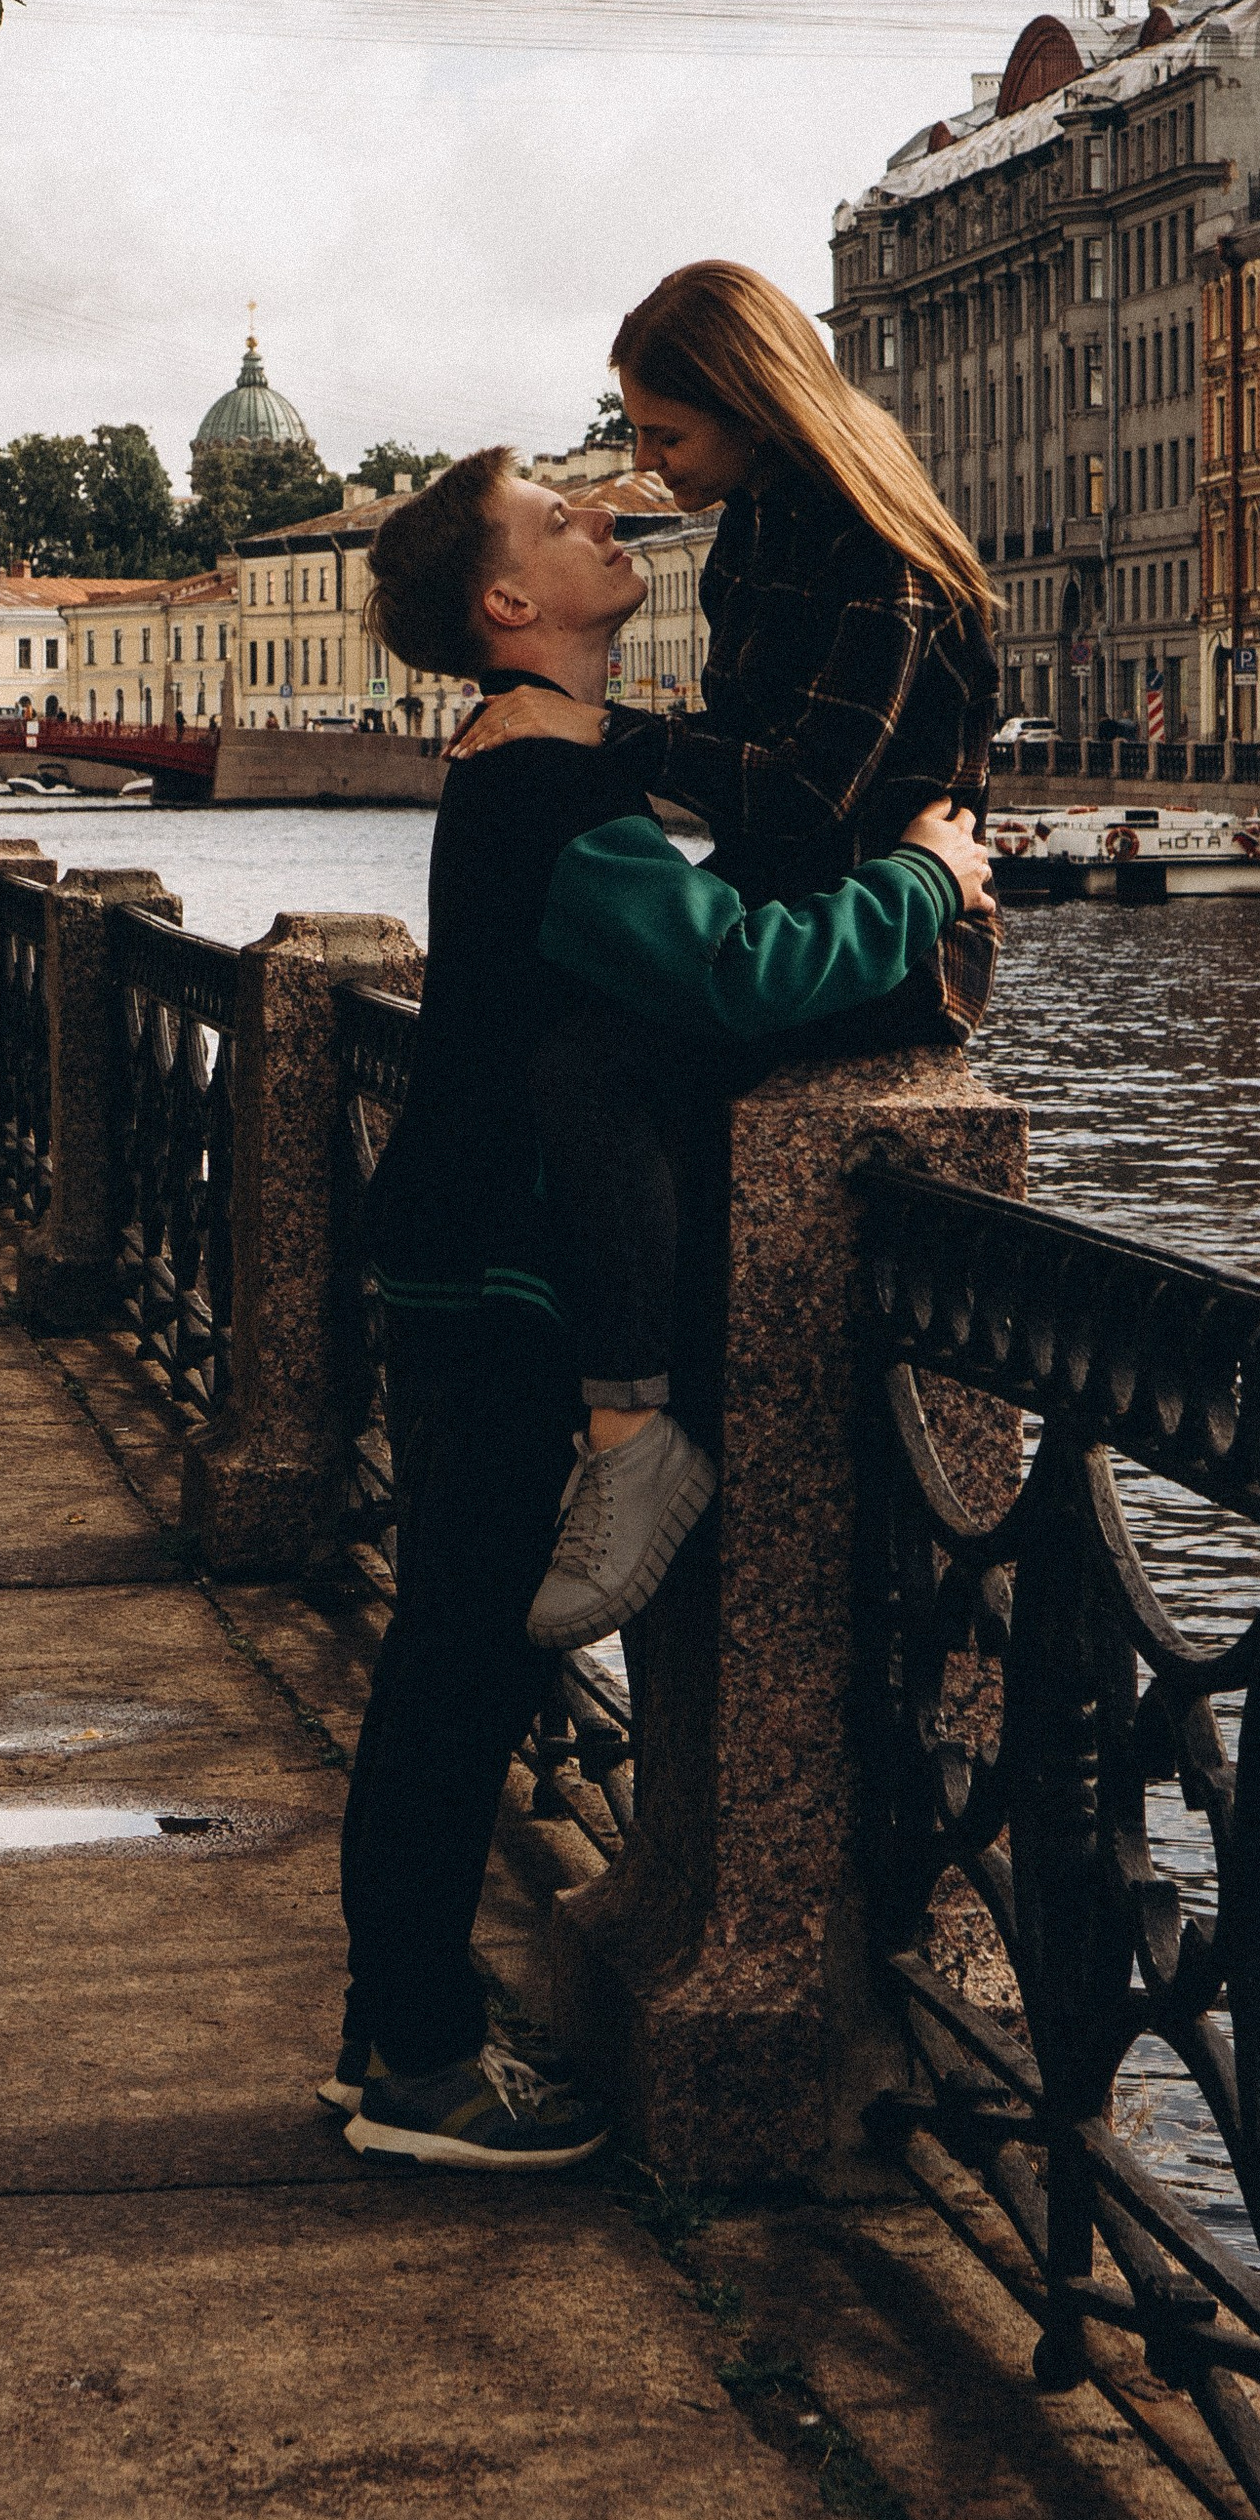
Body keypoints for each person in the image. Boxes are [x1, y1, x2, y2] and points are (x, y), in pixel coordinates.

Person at [333, 446, 993, 2173]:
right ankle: (416, 2064)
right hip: (497, 1270)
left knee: (447, 1659)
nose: (604, 520)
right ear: (506, 607)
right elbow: (733, 971)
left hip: (466, 1250)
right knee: (460, 1667)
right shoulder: (548, 787)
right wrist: (925, 882)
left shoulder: (530, 760)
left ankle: (388, 2034)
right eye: (559, 522)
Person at [448, 260, 1000, 1642]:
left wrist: (598, 732)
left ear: (754, 408)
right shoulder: (756, 521)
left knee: (591, 1067)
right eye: (637, 434)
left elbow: (806, 790)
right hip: (796, 917)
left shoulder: (877, 552)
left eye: (665, 437)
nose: (644, 466)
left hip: (894, 941)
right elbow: (757, 788)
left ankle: (633, 1439)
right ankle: (625, 1421)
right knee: (578, 1034)